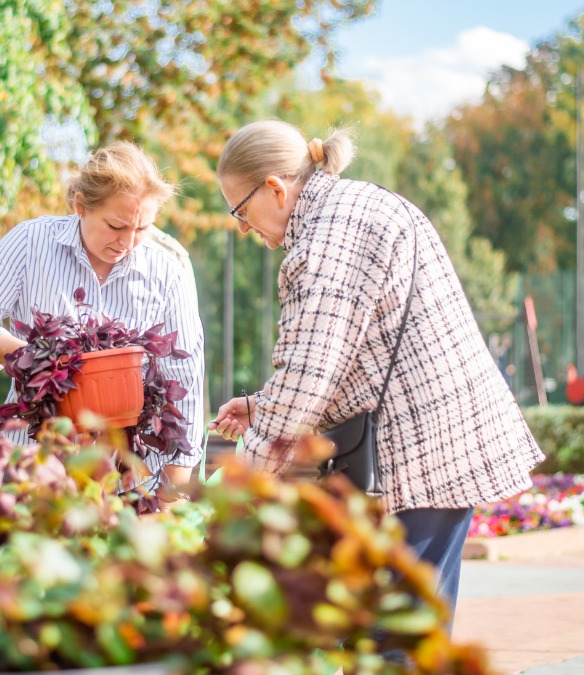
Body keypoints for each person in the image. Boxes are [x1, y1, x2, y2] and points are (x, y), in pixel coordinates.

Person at [207, 120, 543, 632]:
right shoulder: (358, 205)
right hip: (435, 448)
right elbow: (350, 351)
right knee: (401, 635)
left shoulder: (328, 237)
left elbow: (310, 375)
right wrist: (260, 405)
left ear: (274, 188)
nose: (244, 228)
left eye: (241, 211)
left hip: (414, 461)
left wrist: (239, 480)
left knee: (390, 644)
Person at [0, 142, 206, 487]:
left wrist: (174, 487)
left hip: (134, 478)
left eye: (141, 229)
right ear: (80, 205)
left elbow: (185, 377)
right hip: (36, 468)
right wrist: (30, 360)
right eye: (115, 226)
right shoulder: (30, 243)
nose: (127, 242)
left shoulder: (167, 271)